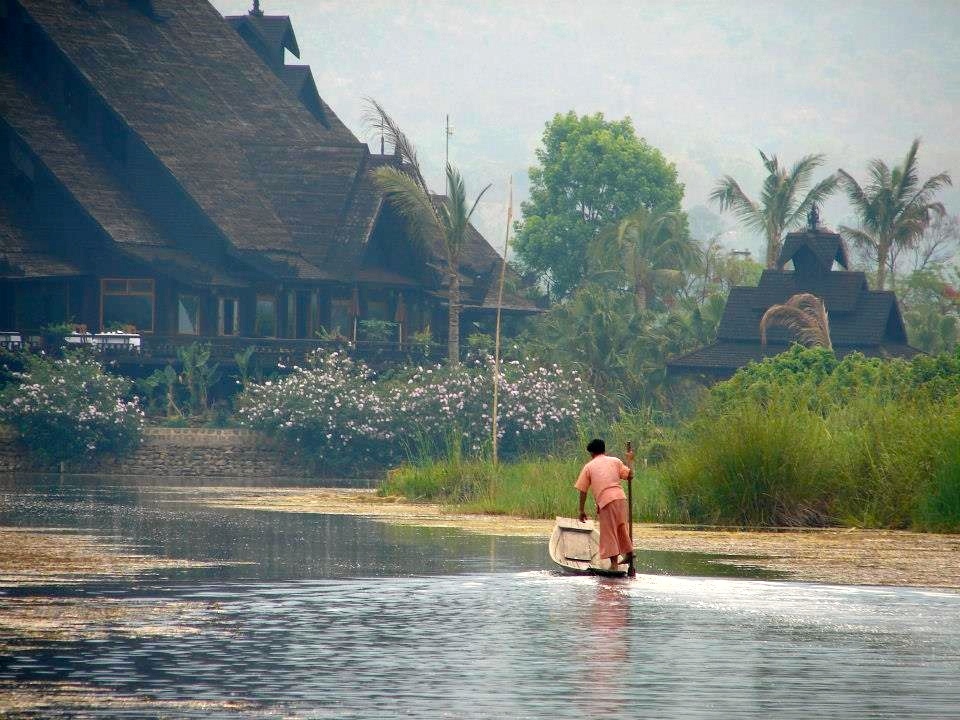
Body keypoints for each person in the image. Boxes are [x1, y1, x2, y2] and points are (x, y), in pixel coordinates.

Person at [575, 438, 635, 574]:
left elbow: (583, 490)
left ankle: (614, 565)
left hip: (606, 501)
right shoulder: (615, 461)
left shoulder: (589, 466)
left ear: (591, 453)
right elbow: (630, 475)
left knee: (609, 533)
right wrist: (630, 460)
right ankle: (629, 553)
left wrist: (581, 510)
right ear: (604, 450)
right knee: (621, 528)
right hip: (621, 499)